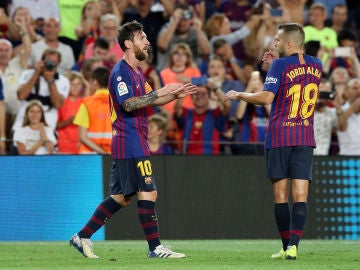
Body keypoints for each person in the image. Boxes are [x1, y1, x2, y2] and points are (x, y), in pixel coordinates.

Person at [70, 20, 196, 259]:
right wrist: (161, 92)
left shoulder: (138, 72)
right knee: (149, 192)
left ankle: (82, 235)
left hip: (133, 139)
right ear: (128, 44)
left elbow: (149, 98)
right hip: (130, 140)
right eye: (141, 38)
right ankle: (155, 247)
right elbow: (129, 104)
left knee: (122, 197)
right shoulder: (120, 73)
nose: (147, 41)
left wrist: (172, 95)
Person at [224, 23, 323, 260]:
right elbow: (294, 79)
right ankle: (293, 247)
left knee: (281, 196)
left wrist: (240, 95)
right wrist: (275, 62)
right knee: (301, 195)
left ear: (289, 43)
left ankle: (285, 245)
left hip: (280, 136)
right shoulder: (317, 65)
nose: (274, 43)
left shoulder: (279, 64)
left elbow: (267, 97)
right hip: (305, 135)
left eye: (277, 40)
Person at [73, 66, 112, 154]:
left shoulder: (87, 103)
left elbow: (82, 137)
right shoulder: (119, 104)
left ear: (95, 82)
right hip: (114, 155)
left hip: (90, 157)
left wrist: (103, 153)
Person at [56, 71, 86, 154]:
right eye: (72, 84)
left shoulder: (84, 102)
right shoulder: (61, 102)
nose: (75, 87)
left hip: (82, 146)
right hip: (64, 146)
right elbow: (54, 125)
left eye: (78, 84)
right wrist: (68, 122)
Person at [337, 78, 360, 155]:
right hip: (347, 156)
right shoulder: (340, 110)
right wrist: (353, 108)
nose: (359, 91)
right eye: (355, 88)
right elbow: (341, 128)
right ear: (346, 92)